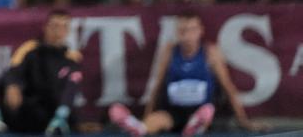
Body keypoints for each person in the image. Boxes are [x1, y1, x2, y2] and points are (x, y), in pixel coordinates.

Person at [109, 11, 262, 135]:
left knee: (205, 113)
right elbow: (157, 85)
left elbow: (228, 87)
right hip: (173, 111)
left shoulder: (210, 52)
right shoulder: (170, 51)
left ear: (200, 31)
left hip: (200, 109)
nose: (187, 35)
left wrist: (244, 121)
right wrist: (147, 116)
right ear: (177, 33)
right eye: (183, 31)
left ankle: (196, 127)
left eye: (192, 30)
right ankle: (137, 127)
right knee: (155, 122)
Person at [0, 10, 81, 134]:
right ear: (46, 27)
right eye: (55, 26)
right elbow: (13, 71)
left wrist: (69, 118)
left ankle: (59, 121)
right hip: (24, 108)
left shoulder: (72, 58)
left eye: (64, 26)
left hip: (49, 113)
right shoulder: (30, 48)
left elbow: (70, 89)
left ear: (68, 31)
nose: (58, 31)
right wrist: (12, 85)